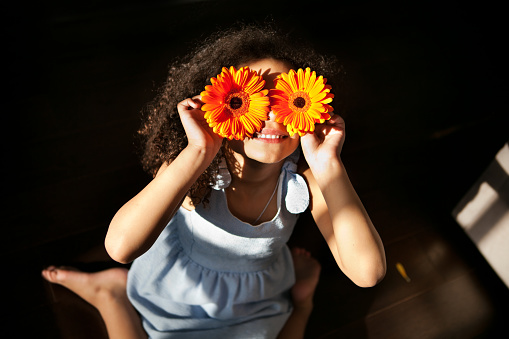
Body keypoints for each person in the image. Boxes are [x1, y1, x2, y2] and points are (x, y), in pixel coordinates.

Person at [42, 24, 386, 339]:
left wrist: (328, 165)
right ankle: (111, 295)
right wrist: (199, 151)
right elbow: (120, 248)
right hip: (181, 297)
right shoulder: (199, 170)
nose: (269, 114)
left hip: (255, 299)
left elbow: (368, 273)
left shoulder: (304, 178)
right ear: (219, 105)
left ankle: (302, 303)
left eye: (289, 100)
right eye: (251, 98)